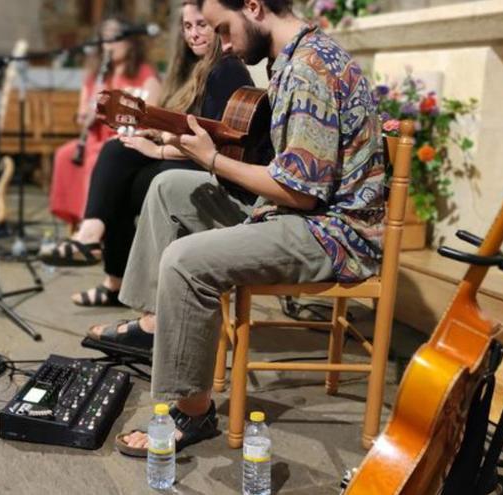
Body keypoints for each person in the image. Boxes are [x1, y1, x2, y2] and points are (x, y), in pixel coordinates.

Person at [97, 0, 386, 455]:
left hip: (332, 233)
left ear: (253, 6)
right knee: (171, 187)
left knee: (185, 261)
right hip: (294, 214)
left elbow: (301, 194)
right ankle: (156, 324)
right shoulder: (292, 59)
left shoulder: (309, 68)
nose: (223, 44)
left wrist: (211, 158)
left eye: (224, 30)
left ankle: (193, 414)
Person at [41, 1, 260, 310]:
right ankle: (97, 246)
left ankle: (111, 269)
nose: (194, 34)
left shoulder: (225, 70)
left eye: (201, 25)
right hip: (185, 159)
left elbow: (212, 142)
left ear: (217, 24)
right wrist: (151, 132)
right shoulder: (187, 71)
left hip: (212, 171)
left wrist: (157, 148)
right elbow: (178, 126)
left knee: (124, 179)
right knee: (118, 150)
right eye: (187, 27)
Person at [47, 17, 163, 226]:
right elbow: (82, 117)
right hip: (94, 140)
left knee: (96, 159)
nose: (109, 45)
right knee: (64, 155)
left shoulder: (146, 75)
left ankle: (94, 226)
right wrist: (85, 117)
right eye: (105, 39)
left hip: (123, 141)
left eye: (115, 39)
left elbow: (150, 119)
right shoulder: (95, 76)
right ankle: (77, 225)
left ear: (131, 42)